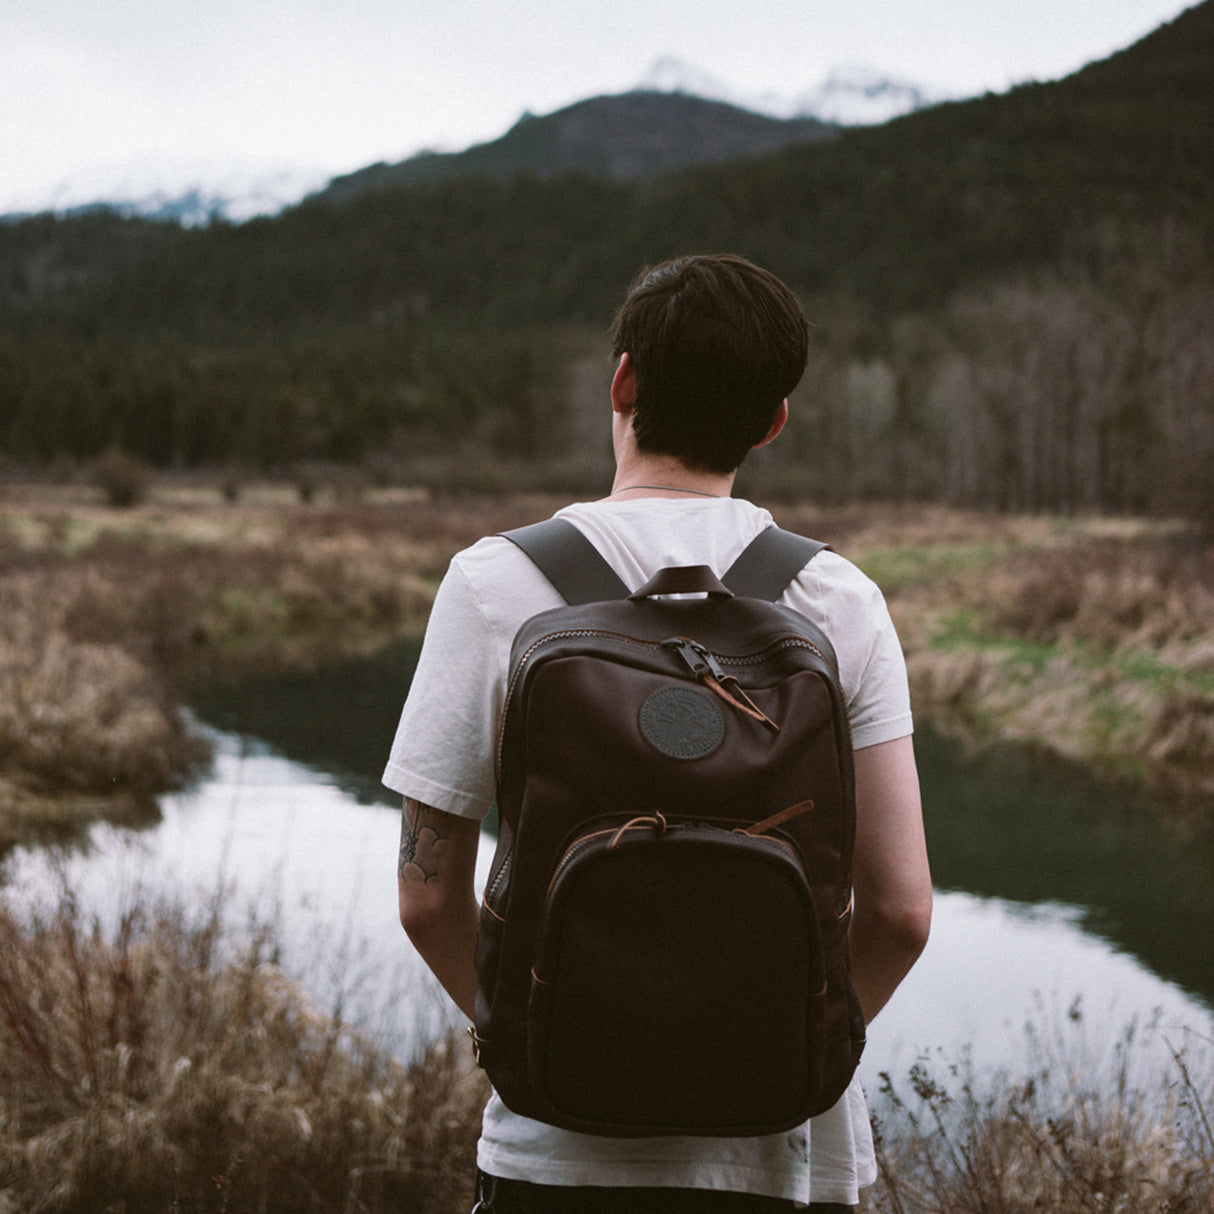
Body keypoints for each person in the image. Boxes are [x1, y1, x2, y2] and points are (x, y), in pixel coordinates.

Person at [384, 253, 932, 1213]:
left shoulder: (493, 584)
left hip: (556, 1156)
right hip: (786, 1156)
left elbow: (428, 900)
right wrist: (778, 1047)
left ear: (623, 381)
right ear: (773, 421)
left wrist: (534, 1036)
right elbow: (900, 913)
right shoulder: (838, 599)